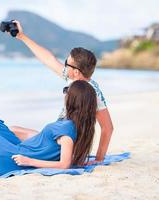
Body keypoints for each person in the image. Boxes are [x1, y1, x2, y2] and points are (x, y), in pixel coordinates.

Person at [0, 80, 97, 190]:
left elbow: (65, 164)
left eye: (66, 91)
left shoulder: (67, 131)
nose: (65, 94)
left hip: (17, 156)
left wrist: (28, 160)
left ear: (74, 100)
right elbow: (50, 144)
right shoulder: (78, 126)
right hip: (24, 148)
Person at [9, 20, 114, 165]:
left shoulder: (91, 93)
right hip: (56, 136)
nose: (64, 65)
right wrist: (22, 36)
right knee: (12, 131)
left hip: (61, 143)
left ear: (76, 72)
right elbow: (48, 59)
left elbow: (107, 128)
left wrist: (99, 160)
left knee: (10, 135)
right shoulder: (74, 79)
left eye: (67, 63)